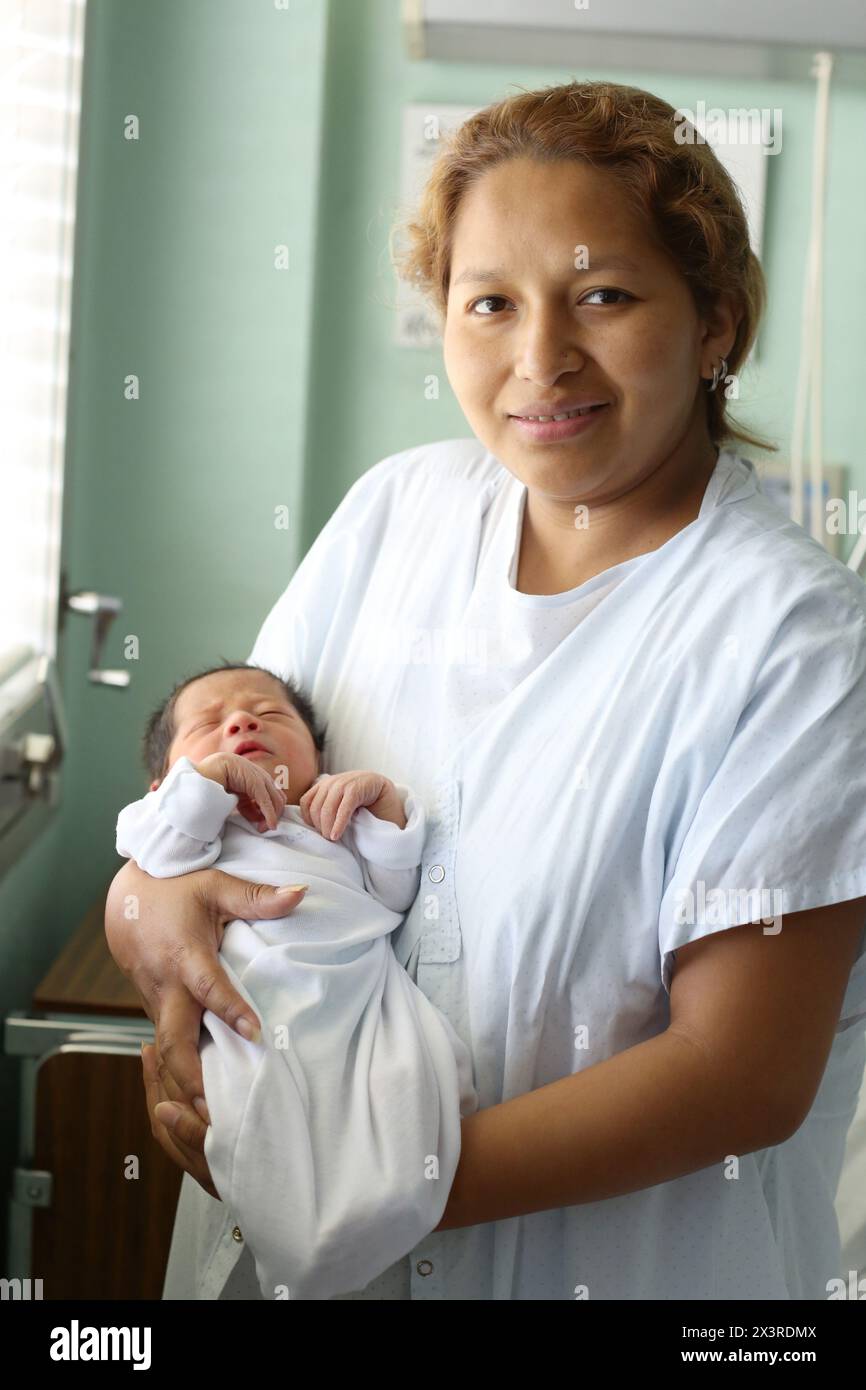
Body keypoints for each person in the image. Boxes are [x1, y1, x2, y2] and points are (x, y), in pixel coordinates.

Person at [106, 79, 866, 1300]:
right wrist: (146, 923)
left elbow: (739, 1074)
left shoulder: (793, 640)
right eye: (489, 303)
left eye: (603, 296)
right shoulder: (391, 515)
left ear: (716, 321)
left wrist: (350, 1185)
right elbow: (222, 799)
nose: (539, 359)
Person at [114, 660, 477, 1299]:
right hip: (252, 1003)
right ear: (162, 785)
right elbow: (150, 845)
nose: (242, 721)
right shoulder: (191, 833)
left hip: (358, 993)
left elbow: (394, 896)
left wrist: (383, 807)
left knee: (412, 1075)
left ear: (318, 755)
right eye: (207, 725)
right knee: (257, 1100)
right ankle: (299, 1239)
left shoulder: (326, 817)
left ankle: (378, 1205)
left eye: (270, 714)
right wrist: (204, 788)